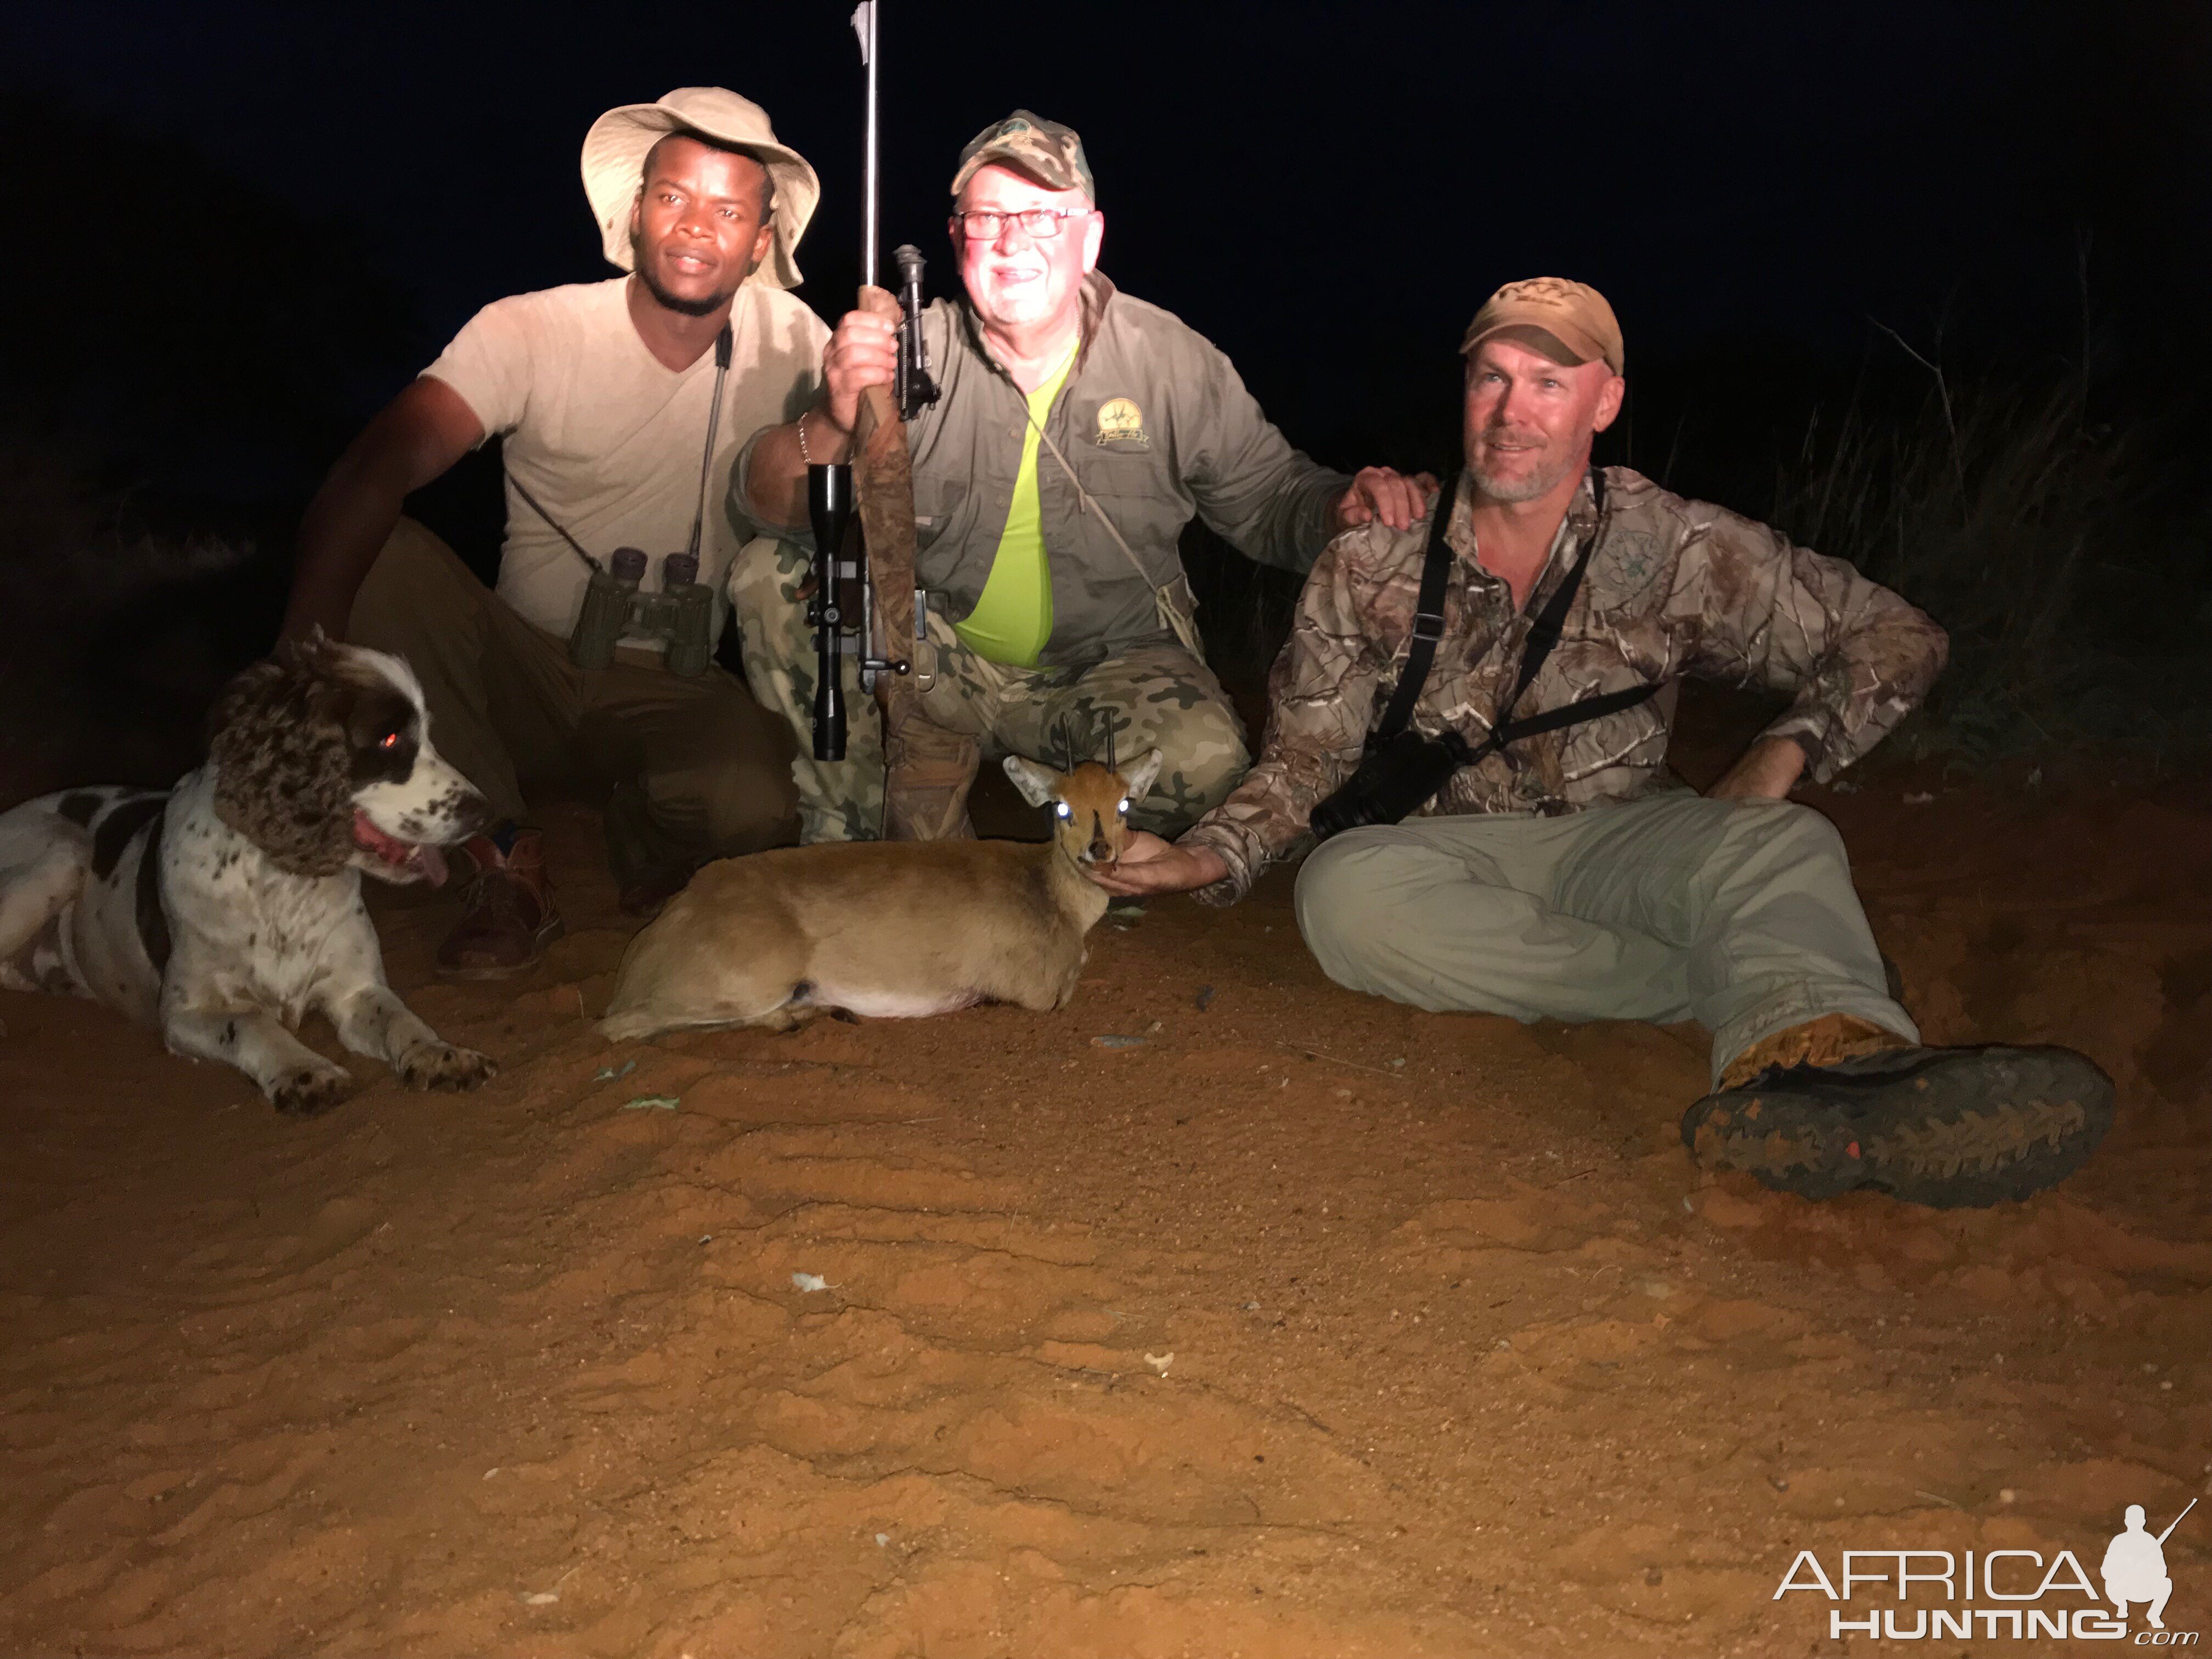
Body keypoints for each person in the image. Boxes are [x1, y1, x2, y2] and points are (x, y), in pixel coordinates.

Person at [1093, 277, 2114, 1208]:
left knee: (1785, 842)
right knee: (1340, 897)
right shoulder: (1372, 558)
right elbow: (1308, 760)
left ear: (1605, 403)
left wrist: (1785, 749)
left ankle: (1840, 1068)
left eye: (1549, 380)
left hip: (1622, 837)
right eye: (1491, 377)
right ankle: (1756, 982)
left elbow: (1897, 634)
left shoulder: (1673, 543)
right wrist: (1203, 857)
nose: (1512, 408)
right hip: (1438, 852)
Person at [729, 110, 1429, 845]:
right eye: (988, 216)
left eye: (1042, 215)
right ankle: (851, 823)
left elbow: (1272, 500)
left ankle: (1050, 802)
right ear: (955, 236)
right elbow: (763, 504)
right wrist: (840, 419)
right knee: (769, 573)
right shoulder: (903, 350)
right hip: (932, 665)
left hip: (1102, 669)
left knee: (1205, 767)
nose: (1011, 239)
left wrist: (1342, 506)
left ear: (1090, 236)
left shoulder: (1170, 361)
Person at [280, 88, 823, 975]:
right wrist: (299, 668)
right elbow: (384, 459)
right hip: (521, 673)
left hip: (671, 684)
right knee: (391, 554)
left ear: (761, 240)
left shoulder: (796, 340)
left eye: (729, 210)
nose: (695, 228)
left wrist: (867, 397)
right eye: (674, 197)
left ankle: (647, 829)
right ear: (636, 211)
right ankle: (498, 859)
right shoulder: (528, 327)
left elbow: (868, 476)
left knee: (758, 802)